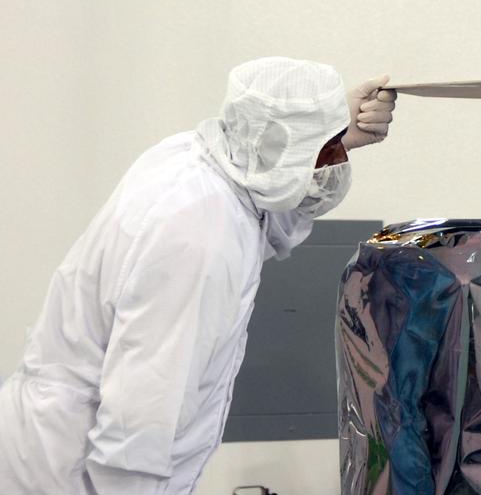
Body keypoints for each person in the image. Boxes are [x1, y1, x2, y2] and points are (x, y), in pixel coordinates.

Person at [0, 57, 397, 494]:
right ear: (284, 146)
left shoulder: (199, 161)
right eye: (327, 149)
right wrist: (317, 140)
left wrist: (333, 127)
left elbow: (270, 212)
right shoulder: (198, 235)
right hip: (71, 471)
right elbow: (136, 432)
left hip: (50, 441)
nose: (334, 162)